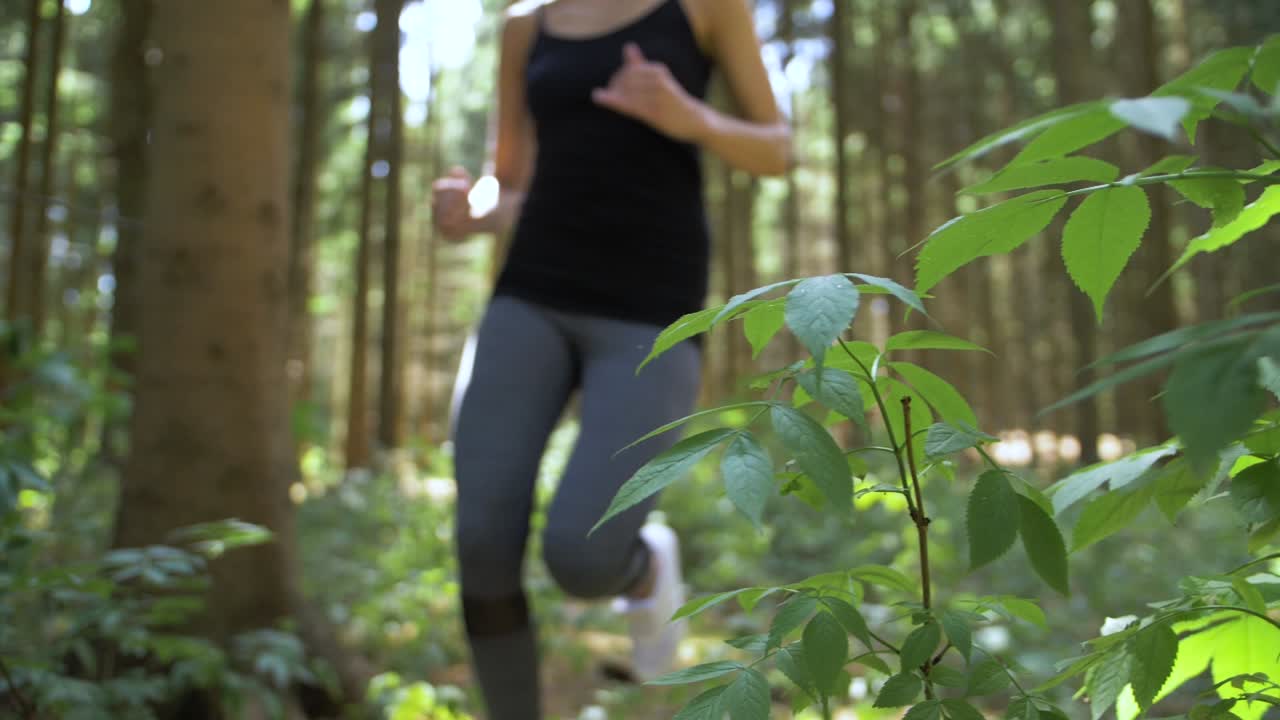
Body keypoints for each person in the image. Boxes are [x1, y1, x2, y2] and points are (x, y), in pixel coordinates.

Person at [431, 0, 789, 716]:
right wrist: (474, 210)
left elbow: (779, 150)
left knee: (584, 559)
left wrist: (694, 119)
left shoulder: (708, 8)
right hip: (530, 293)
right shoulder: (524, 24)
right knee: (481, 540)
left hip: (651, 308)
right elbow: (512, 177)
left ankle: (645, 564)